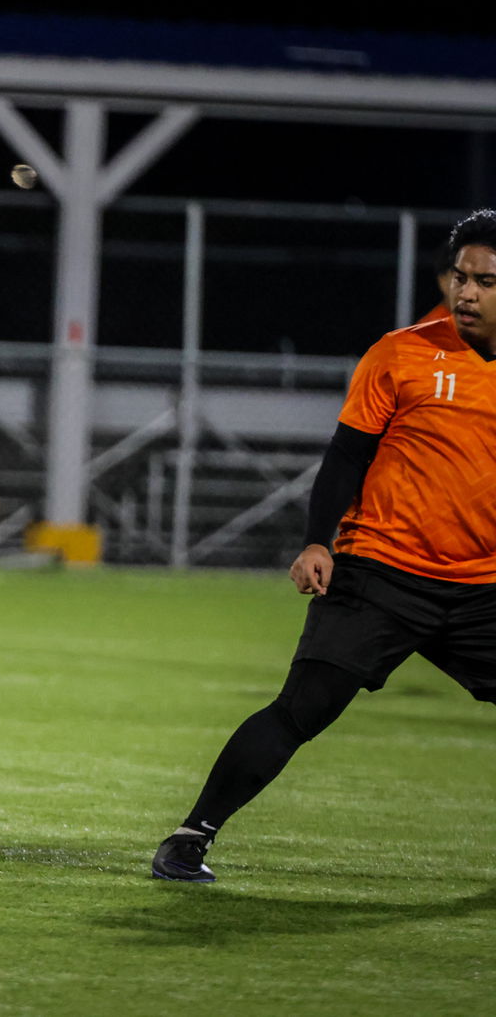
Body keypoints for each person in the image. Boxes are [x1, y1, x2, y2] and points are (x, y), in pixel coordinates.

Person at [152, 209, 496, 883]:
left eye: (485, 282)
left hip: (483, 585)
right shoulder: (401, 353)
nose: (467, 293)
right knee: (303, 707)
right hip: (382, 570)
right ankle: (189, 837)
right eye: (460, 277)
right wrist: (317, 540)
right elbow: (345, 458)